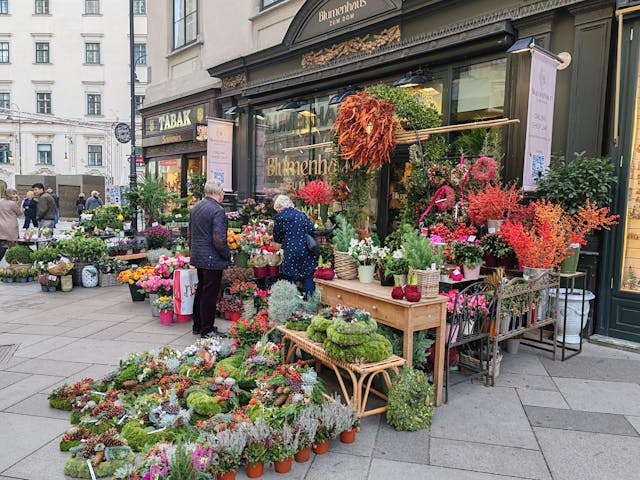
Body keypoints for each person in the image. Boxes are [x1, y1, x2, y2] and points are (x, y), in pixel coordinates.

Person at [188, 179, 231, 338]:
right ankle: (207, 329)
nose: (223, 195)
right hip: (212, 259)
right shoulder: (217, 210)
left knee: (201, 291)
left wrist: (192, 252)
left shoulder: (196, 207)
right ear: (218, 193)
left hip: (199, 256)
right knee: (209, 294)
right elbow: (219, 240)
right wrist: (227, 254)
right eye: (223, 192)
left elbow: (190, 235)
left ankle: (198, 325)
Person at [273, 194, 318, 297]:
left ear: (280, 207)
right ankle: (311, 302)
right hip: (305, 249)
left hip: (290, 250)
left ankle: (293, 305)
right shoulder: (301, 214)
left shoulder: (279, 217)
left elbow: (277, 237)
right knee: (308, 275)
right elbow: (311, 229)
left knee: (290, 276)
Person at [0, 188, 22, 261]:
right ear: (9, 194)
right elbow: (19, 213)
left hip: (1, 227)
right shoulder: (12, 203)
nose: (15, 195)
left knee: (2, 246)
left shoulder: (0, 201)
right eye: (14, 193)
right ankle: (14, 265)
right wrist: (17, 202)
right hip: (11, 228)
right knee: (13, 248)